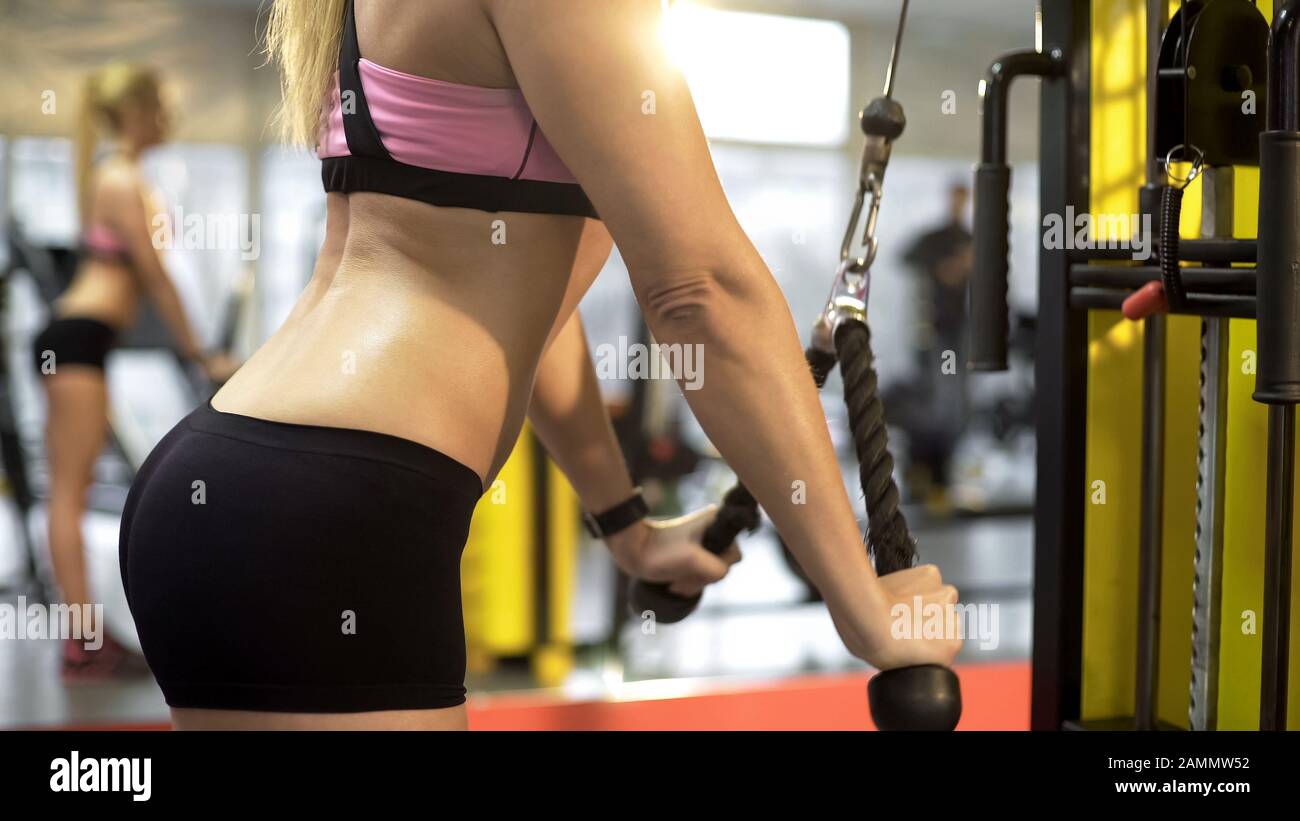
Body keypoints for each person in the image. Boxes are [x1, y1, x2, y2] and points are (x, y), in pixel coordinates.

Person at [120, 0, 961, 730]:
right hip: (329, 519)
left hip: (222, 489)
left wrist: (625, 525)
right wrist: (864, 606)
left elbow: (531, 313)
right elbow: (701, 292)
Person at [32, 63, 232, 682]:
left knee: (75, 488)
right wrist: (201, 353)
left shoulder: (123, 178)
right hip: (77, 340)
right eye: (163, 108)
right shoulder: (119, 179)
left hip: (87, 341)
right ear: (138, 112)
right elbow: (157, 279)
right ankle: (82, 642)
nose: (171, 120)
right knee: (70, 492)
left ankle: (86, 639)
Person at [899, 182, 974, 504]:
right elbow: (906, 258)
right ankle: (923, 474)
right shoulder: (934, 239)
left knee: (954, 407)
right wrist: (943, 269)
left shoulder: (970, 239)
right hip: (934, 333)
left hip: (960, 333)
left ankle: (942, 475)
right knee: (933, 402)